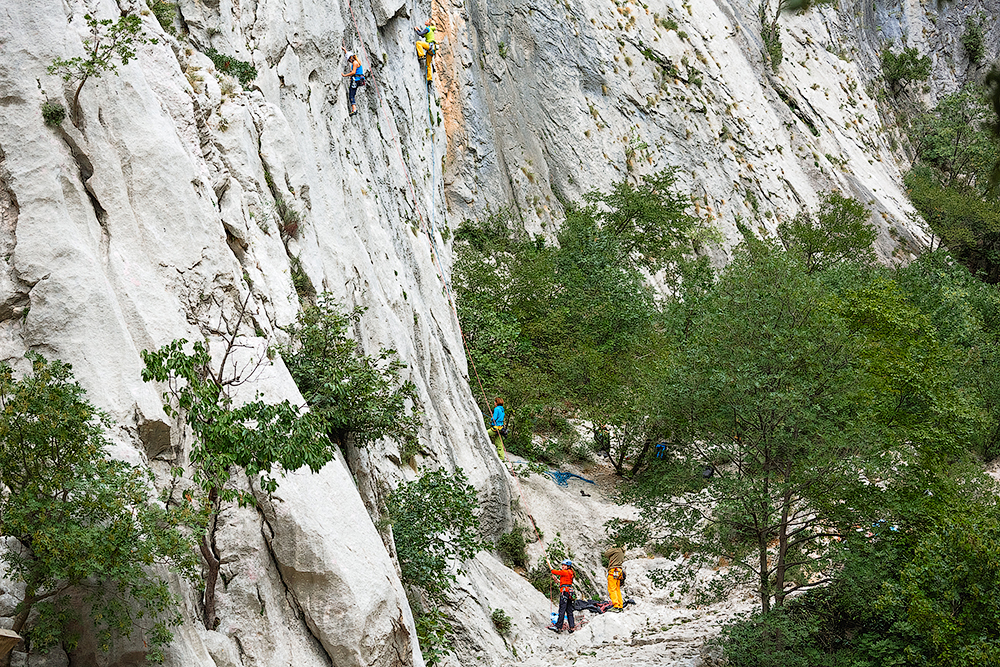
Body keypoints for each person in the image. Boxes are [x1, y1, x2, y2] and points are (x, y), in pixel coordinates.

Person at [546, 559, 576, 633]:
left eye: (564, 565)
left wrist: (548, 563)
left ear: (568, 566)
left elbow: (553, 571)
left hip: (564, 592)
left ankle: (558, 627)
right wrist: (557, 580)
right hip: (569, 592)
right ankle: (572, 627)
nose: (563, 566)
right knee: (569, 610)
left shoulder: (565, 572)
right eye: (562, 565)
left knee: (562, 610)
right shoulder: (570, 572)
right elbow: (565, 582)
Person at [341, 47, 364, 116]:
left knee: (351, 94)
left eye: (349, 60)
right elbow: (348, 54)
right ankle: (354, 109)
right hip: (358, 80)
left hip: (356, 81)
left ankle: (354, 110)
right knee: (352, 94)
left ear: (351, 58)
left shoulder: (355, 63)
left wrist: (345, 75)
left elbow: (353, 72)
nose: (349, 61)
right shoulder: (357, 61)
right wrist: (345, 50)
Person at [603, 544, 626, 612]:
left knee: (612, 589)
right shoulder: (622, 550)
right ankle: (620, 605)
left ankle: (615, 606)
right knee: (617, 589)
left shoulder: (616, 548)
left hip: (613, 570)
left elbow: (606, 554)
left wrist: (612, 547)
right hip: (619, 571)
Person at [413, 20, 437, 84]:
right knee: (428, 64)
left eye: (427, 21)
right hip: (433, 49)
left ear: (429, 23)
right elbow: (423, 35)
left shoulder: (427, 28)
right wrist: (419, 30)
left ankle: (421, 55)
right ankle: (429, 79)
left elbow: (420, 34)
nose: (425, 21)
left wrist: (416, 30)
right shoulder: (430, 29)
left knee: (418, 43)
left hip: (429, 46)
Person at [487, 397, 506, 461]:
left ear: (497, 403)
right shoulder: (502, 409)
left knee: (485, 433)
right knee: (499, 443)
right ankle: (502, 458)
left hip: (496, 427)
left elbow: (494, 418)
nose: (494, 403)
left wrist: (491, 419)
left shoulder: (496, 409)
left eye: (495, 402)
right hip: (500, 428)